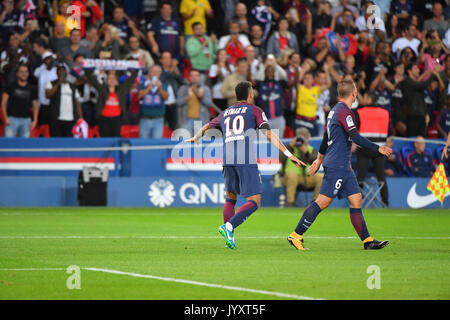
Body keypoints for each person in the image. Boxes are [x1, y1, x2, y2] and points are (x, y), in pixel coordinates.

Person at [186, 81, 305, 249]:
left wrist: (195, 137)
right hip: (245, 158)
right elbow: (269, 134)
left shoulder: (226, 112)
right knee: (255, 201)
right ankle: (228, 227)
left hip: (227, 158)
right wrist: (289, 154)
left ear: (236, 96)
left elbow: (207, 126)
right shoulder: (255, 110)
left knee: (230, 197)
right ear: (250, 95)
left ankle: (229, 240)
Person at [287, 79, 392, 251]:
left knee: (356, 199)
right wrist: (378, 148)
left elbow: (325, 138)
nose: (357, 91)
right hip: (337, 165)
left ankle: (367, 241)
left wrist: (319, 159)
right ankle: (296, 235)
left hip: (344, 165)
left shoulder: (334, 112)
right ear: (353, 93)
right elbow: (356, 137)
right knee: (323, 201)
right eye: (356, 89)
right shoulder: (345, 112)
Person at [353, 91, 390, 207]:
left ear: (368, 98)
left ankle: (357, 202)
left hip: (364, 149)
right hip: (380, 150)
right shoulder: (385, 113)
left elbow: (353, 132)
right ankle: (385, 202)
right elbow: (390, 133)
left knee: (360, 177)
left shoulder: (360, 112)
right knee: (381, 177)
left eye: (364, 96)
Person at [85, 68, 138, 137]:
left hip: (117, 119)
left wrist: (136, 70)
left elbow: (130, 81)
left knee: (116, 139)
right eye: (109, 78)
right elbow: (92, 80)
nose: (112, 80)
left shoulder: (121, 90)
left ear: (116, 81)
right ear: (106, 81)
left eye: (114, 78)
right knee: (104, 139)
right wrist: (87, 68)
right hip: (104, 119)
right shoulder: (102, 89)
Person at [279, 127, 324, 206]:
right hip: (289, 177)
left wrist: (306, 152)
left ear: (308, 139)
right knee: (292, 175)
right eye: (300, 137)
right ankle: (290, 203)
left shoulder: (310, 149)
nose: (302, 140)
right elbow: (281, 159)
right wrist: (291, 146)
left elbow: (315, 162)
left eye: (305, 137)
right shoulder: (288, 148)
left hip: (307, 177)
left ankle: (315, 203)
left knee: (321, 177)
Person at [45, 63, 83, 137]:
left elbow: (77, 103)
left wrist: (81, 118)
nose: (62, 72)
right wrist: (58, 83)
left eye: (64, 70)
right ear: (56, 72)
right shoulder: (51, 83)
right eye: (60, 70)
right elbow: (48, 95)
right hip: (56, 119)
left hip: (71, 119)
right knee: (56, 140)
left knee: (69, 141)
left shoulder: (72, 86)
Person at [1, 64, 38, 138]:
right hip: (12, 120)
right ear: (17, 73)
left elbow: (35, 106)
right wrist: (5, 118)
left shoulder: (32, 88)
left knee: (25, 146)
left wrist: (35, 120)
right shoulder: (11, 86)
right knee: (9, 145)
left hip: (26, 120)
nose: (24, 74)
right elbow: (3, 103)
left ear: (28, 74)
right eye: (21, 72)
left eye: (26, 72)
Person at [177, 69, 213, 135]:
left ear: (199, 77)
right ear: (189, 77)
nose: (194, 78)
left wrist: (201, 97)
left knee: (200, 143)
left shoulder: (205, 88)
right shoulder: (183, 88)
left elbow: (209, 104)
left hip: (201, 120)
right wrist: (187, 98)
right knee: (186, 142)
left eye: (196, 76)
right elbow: (178, 103)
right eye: (192, 76)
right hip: (187, 120)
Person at [137, 65, 168, 139]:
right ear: (149, 73)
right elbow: (139, 96)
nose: (154, 74)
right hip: (145, 118)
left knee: (157, 143)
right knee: (143, 142)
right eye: (152, 71)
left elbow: (165, 97)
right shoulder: (143, 84)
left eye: (156, 72)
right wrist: (148, 88)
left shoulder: (163, 85)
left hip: (158, 119)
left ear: (159, 74)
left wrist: (160, 88)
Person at [255, 64, 286, 137]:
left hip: (278, 118)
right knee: (263, 144)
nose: (270, 74)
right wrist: (263, 66)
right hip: (264, 119)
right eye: (268, 72)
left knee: (278, 143)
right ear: (265, 73)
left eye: (272, 72)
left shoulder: (280, 83)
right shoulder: (260, 84)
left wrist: (276, 64)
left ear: (275, 73)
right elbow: (252, 79)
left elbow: (286, 77)